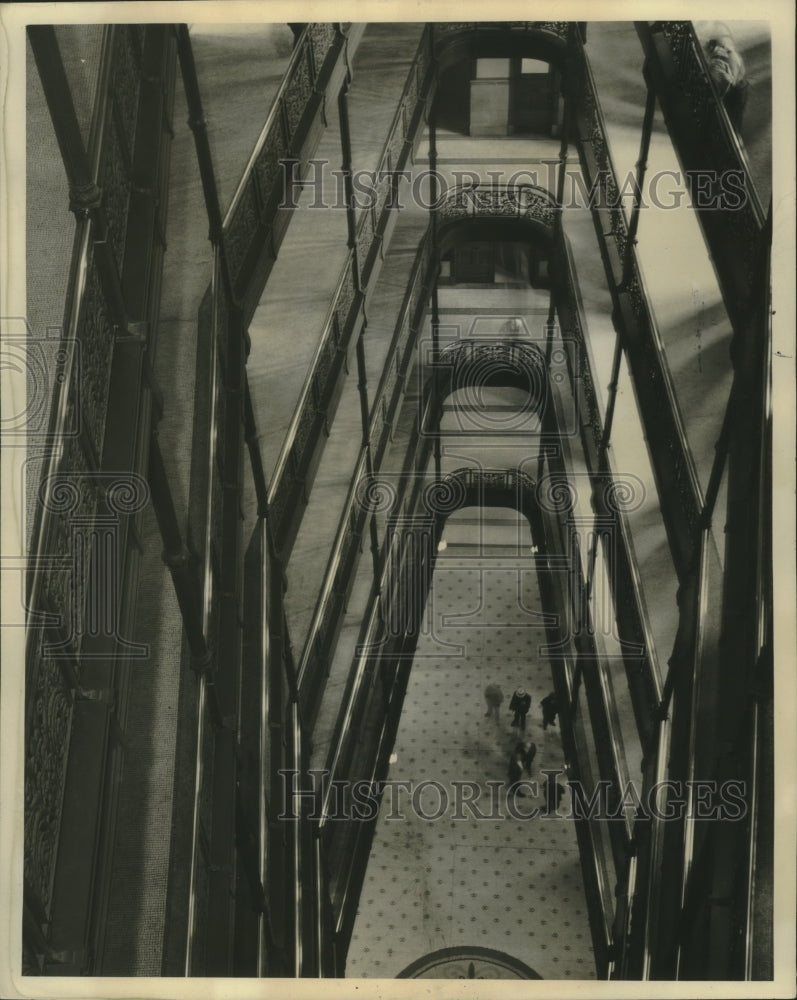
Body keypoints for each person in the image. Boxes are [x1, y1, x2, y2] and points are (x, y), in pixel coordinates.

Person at [699, 23, 749, 131]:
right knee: (734, 126)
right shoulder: (731, 54)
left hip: (732, 94)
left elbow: (727, 81)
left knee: (729, 126)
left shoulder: (722, 58)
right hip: (738, 90)